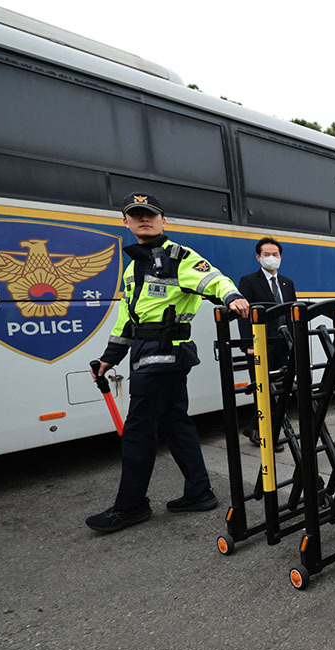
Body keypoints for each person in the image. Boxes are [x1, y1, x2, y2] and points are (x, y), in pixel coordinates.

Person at [86, 193, 249, 533]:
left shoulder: (180, 257)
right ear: (126, 222)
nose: (144, 219)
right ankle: (200, 492)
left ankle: (130, 506)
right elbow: (126, 322)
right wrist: (107, 359)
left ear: (164, 221)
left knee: (138, 431)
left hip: (163, 354)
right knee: (176, 423)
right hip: (145, 352)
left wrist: (232, 297)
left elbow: (213, 279)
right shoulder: (132, 268)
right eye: (136, 215)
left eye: (150, 214)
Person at [237, 237, 297, 449]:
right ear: (258, 257)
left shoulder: (287, 283)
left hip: (283, 344)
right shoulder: (249, 281)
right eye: (266, 255)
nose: (271, 258)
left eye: (275, 255)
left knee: (280, 389)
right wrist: (248, 345)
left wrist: (294, 341)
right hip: (260, 344)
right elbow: (243, 315)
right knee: (263, 390)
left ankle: (255, 426)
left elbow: (292, 313)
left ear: (280, 257)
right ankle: (266, 435)